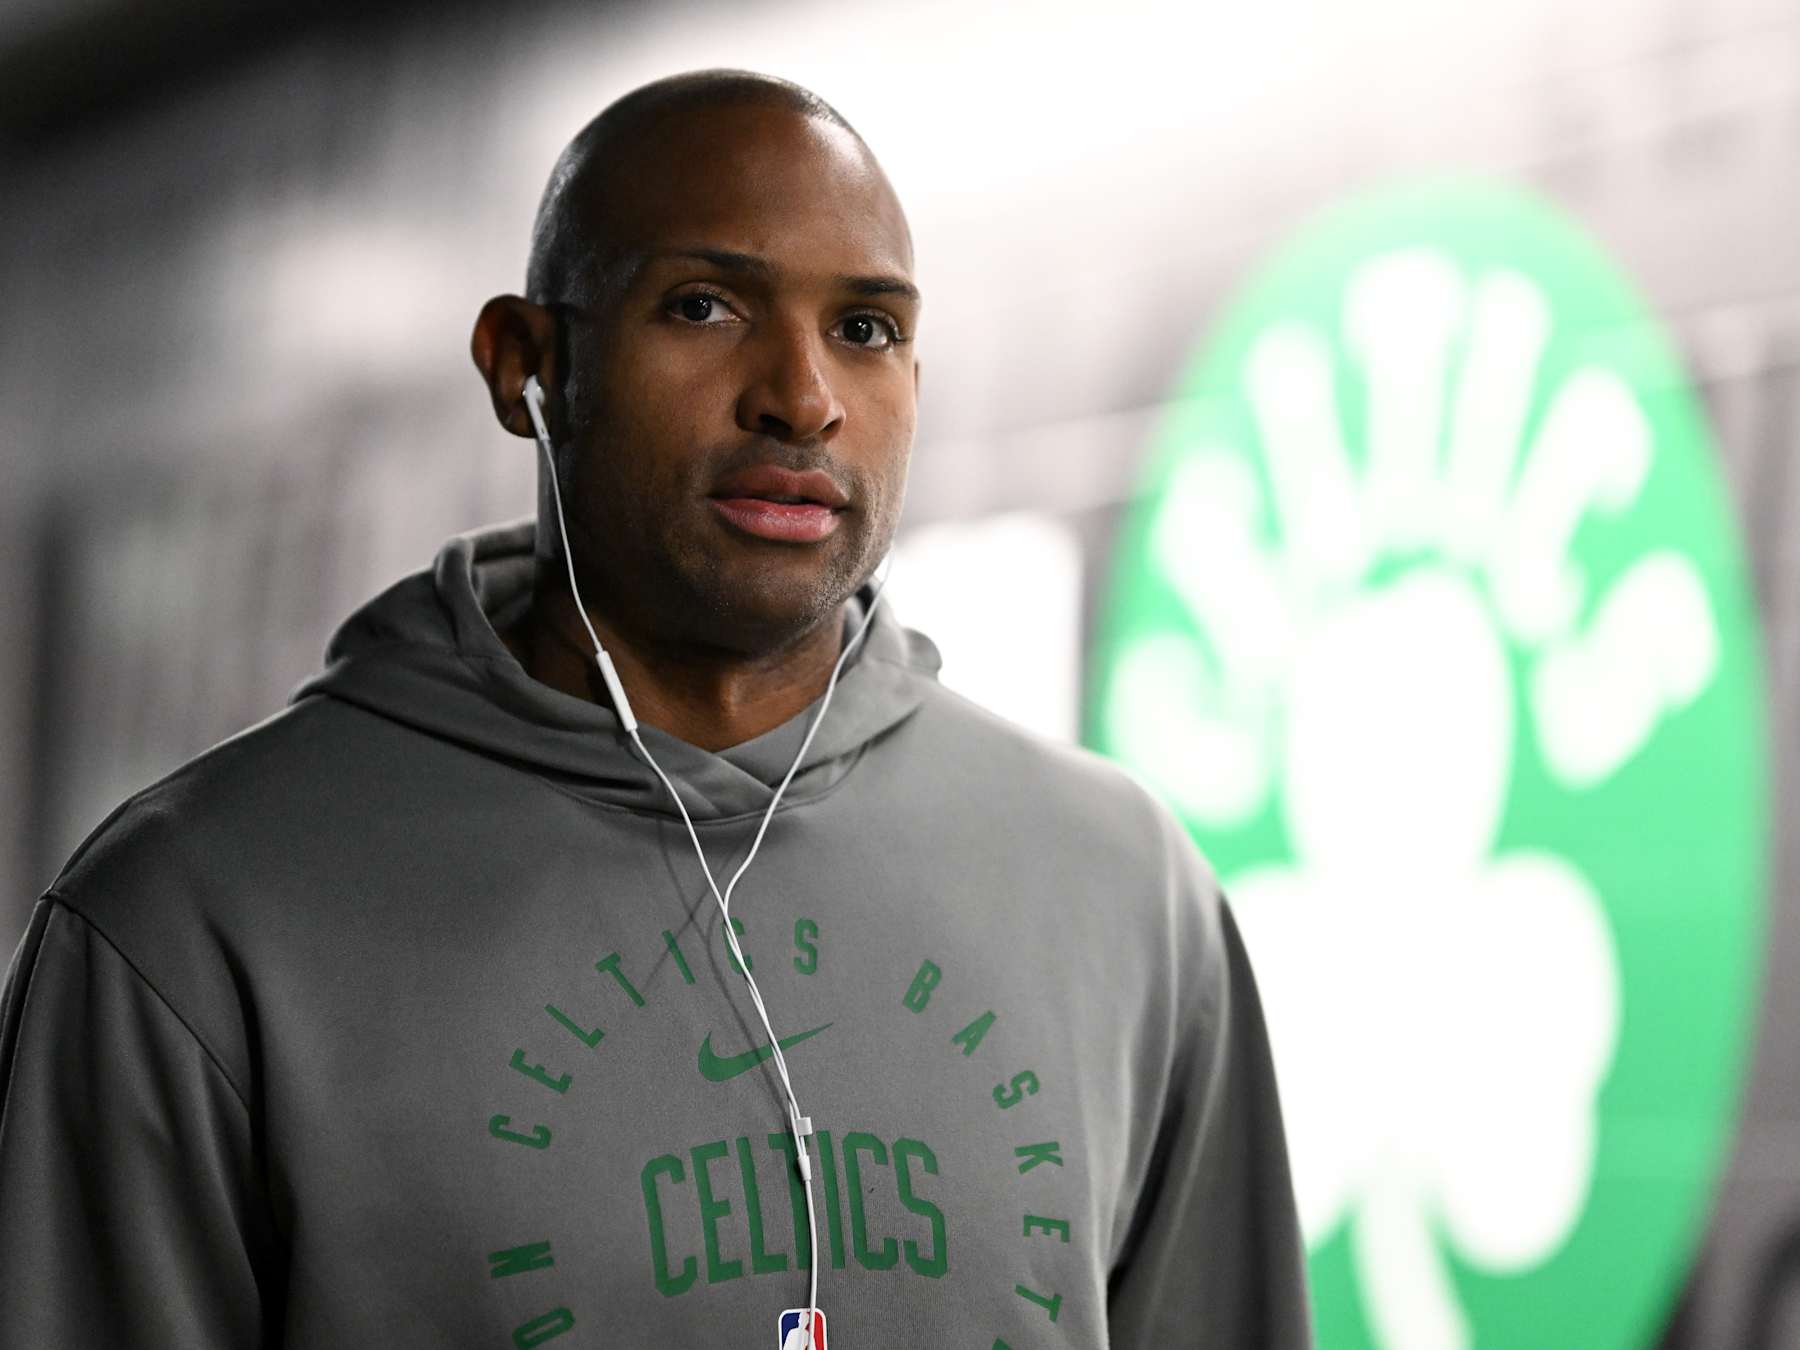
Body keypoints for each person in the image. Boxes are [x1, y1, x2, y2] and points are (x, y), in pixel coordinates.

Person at [0, 68, 1312, 1347]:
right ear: (527, 367)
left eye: (866, 329)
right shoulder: (193, 920)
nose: (803, 399)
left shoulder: (1122, 890)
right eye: (703, 305)